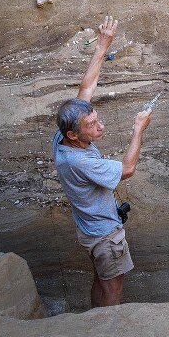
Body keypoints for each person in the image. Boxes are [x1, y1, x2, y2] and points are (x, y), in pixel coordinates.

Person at [52, 16, 152, 308]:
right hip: (105, 235)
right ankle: (106, 333)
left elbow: (85, 90)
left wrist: (103, 44)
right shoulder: (79, 161)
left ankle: (93, 320)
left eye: (96, 119)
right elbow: (128, 169)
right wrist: (138, 129)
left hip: (88, 230)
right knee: (113, 288)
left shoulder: (61, 138)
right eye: (92, 125)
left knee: (101, 278)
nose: (101, 127)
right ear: (73, 134)